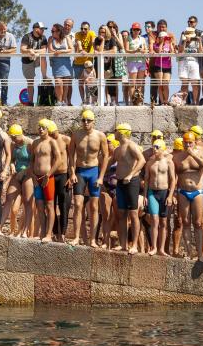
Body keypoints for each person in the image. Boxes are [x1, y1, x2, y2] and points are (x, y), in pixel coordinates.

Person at [68, 109, 109, 248]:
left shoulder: (100, 136)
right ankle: (76, 237)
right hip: (79, 171)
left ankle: (92, 239)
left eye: (88, 120)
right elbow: (71, 156)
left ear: (93, 121)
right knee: (78, 205)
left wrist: (101, 177)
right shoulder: (76, 135)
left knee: (93, 207)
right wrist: (72, 173)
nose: (85, 123)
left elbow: (105, 157)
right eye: (83, 120)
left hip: (93, 171)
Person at [172, 131, 203, 262]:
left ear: (194, 142)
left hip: (197, 190)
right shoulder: (177, 157)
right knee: (185, 222)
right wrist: (173, 193)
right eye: (186, 142)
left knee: (198, 222)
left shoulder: (201, 152)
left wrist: (192, 154)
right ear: (182, 143)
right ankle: (189, 253)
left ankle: (200, 255)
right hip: (183, 191)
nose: (188, 145)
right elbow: (173, 176)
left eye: (190, 142)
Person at [112, 123, 146, 253]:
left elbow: (142, 160)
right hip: (120, 183)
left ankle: (135, 245)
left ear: (121, 132)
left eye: (115, 131)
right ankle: (123, 244)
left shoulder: (131, 145)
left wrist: (131, 174)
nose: (114, 133)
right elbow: (109, 161)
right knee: (122, 214)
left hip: (131, 182)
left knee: (133, 214)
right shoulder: (118, 149)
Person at [29, 119, 60, 242]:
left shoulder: (52, 142)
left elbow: (58, 160)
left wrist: (49, 174)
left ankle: (48, 234)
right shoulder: (35, 143)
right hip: (36, 178)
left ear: (48, 129)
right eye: (39, 127)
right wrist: (32, 176)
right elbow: (31, 161)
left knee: (50, 205)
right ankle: (42, 232)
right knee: (39, 206)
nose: (40, 129)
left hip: (48, 178)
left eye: (43, 127)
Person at [143, 139, 176, 256]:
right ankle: (154, 247)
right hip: (152, 192)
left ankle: (161, 249)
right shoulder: (150, 162)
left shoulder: (168, 162)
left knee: (163, 222)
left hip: (164, 193)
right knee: (154, 220)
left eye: (157, 147)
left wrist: (171, 196)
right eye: (153, 147)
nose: (154, 149)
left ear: (162, 149)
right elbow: (146, 180)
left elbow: (173, 180)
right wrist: (145, 195)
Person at [3, 124, 34, 237]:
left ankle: (27, 233)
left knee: (28, 206)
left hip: (28, 177)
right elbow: (12, 159)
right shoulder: (13, 144)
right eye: (11, 137)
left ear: (21, 134)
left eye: (15, 137)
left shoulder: (30, 143)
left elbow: (34, 162)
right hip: (17, 177)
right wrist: (11, 165)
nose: (13, 140)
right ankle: (12, 231)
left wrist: (25, 171)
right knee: (14, 209)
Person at [47, 121, 71, 242]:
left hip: (63, 174)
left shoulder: (66, 140)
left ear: (57, 130)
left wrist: (71, 175)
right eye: (50, 133)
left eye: (53, 133)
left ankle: (63, 233)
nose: (52, 135)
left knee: (64, 204)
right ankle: (55, 232)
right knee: (51, 204)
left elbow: (72, 158)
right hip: (51, 175)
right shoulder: (48, 141)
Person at [20, 22, 49, 105]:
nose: (43, 31)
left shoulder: (43, 38)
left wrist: (34, 52)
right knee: (30, 82)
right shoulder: (27, 37)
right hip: (27, 61)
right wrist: (29, 51)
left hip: (37, 58)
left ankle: (44, 76)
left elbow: (44, 50)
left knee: (43, 56)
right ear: (36, 29)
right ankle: (30, 102)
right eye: (42, 29)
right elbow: (22, 49)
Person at [150, 20, 176, 105]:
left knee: (166, 84)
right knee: (160, 84)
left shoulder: (169, 43)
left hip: (167, 66)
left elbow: (172, 52)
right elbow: (158, 51)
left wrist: (170, 43)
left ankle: (165, 100)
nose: (164, 38)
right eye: (161, 37)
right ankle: (161, 101)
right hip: (158, 66)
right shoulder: (156, 44)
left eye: (165, 37)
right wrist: (161, 42)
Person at [48, 23, 73, 106]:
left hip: (66, 63)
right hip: (56, 64)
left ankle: (63, 100)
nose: (52, 33)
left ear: (59, 31)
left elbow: (71, 49)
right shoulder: (51, 39)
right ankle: (59, 100)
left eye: (53, 31)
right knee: (58, 82)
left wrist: (61, 51)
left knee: (66, 83)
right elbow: (50, 50)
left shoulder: (66, 38)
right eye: (51, 31)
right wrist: (56, 52)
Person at [125, 22, 148, 104]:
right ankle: (132, 101)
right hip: (132, 61)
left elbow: (146, 50)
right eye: (134, 29)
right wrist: (136, 51)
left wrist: (142, 51)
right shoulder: (128, 38)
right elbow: (126, 50)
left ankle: (138, 101)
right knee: (132, 84)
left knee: (140, 83)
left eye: (138, 29)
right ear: (132, 30)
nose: (136, 31)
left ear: (140, 30)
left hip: (141, 61)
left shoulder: (142, 39)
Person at [178, 27, 202, 105]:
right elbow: (180, 51)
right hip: (184, 62)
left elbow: (201, 52)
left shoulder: (196, 41)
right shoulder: (182, 40)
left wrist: (200, 42)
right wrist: (185, 42)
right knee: (184, 84)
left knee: (195, 84)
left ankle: (195, 102)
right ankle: (183, 101)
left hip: (194, 62)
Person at [74, 22, 96, 103]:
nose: (83, 30)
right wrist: (81, 50)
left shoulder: (92, 33)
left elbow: (93, 44)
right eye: (82, 28)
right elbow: (79, 44)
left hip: (88, 62)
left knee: (90, 81)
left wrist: (88, 53)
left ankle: (92, 100)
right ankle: (84, 101)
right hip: (78, 62)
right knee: (81, 82)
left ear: (89, 29)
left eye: (85, 29)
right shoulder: (77, 34)